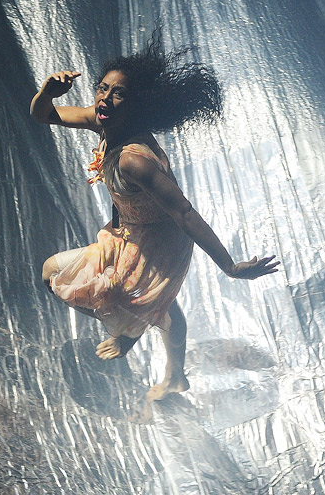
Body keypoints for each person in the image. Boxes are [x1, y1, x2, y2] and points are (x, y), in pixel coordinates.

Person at [30, 34, 279, 400]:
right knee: (61, 276)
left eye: (118, 94)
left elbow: (184, 212)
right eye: (102, 88)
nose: (105, 98)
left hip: (162, 242)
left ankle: (133, 330)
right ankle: (171, 370)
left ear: (136, 105)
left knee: (143, 302)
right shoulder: (102, 122)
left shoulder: (134, 159)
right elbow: (43, 115)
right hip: (128, 230)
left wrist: (229, 267)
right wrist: (47, 92)